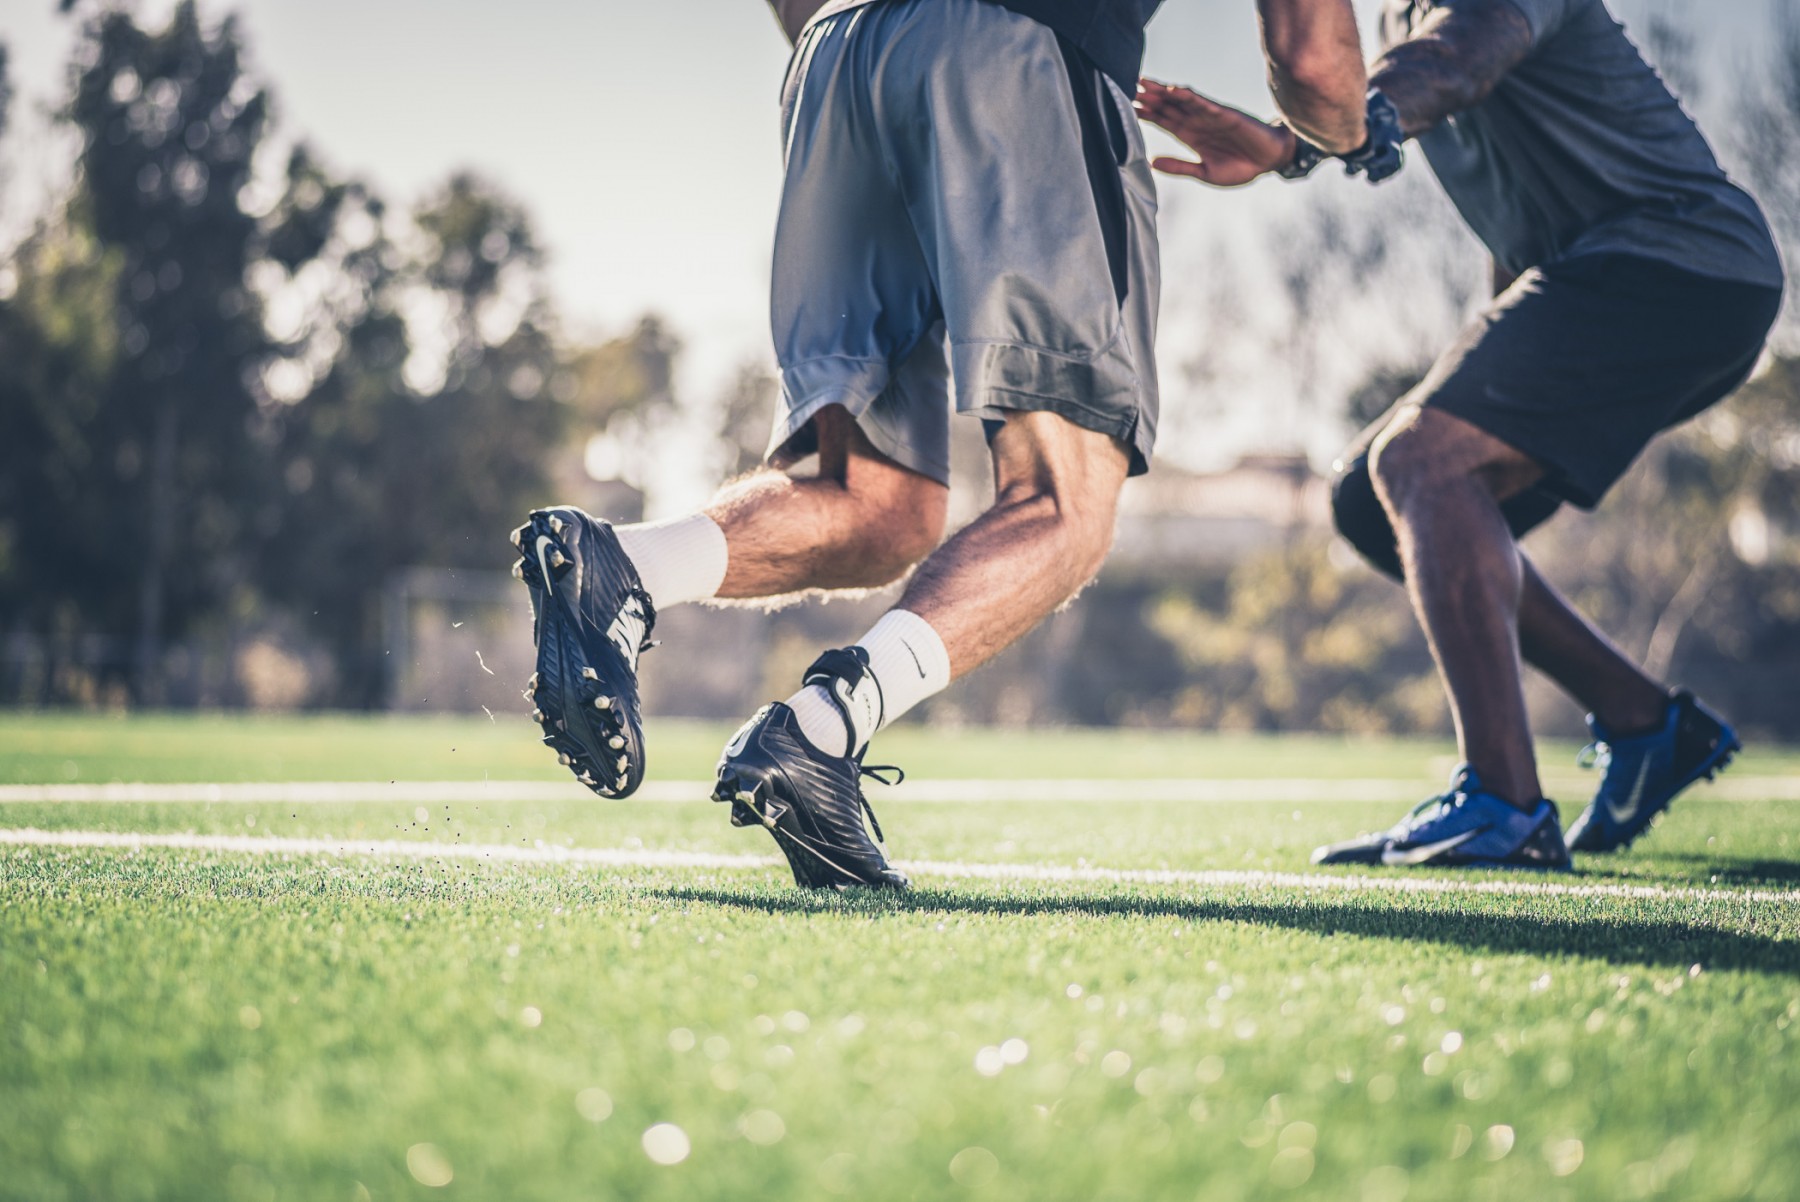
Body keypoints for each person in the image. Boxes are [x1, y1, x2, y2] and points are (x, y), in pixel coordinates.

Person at [512, 0, 1370, 889]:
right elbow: (1318, 67)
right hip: (1020, 55)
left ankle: (623, 568)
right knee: (1065, 502)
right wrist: (1319, 142)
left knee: (878, 506)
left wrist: (884, 49)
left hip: (839, 60)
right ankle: (823, 729)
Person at [1137, 0, 1784, 869]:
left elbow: (1456, 62)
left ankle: (1504, 806)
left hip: (1678, 265)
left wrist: (1297, 144)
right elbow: (1513, 224)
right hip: (1618, 279)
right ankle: (1644, 721)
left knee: (1419, 462)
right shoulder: (1403, 26)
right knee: (1376, 497)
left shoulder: (1452, 30)